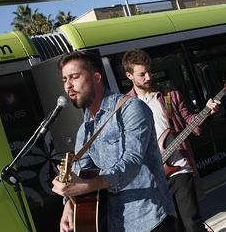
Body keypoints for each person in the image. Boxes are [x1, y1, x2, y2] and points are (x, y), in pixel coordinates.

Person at [51, 51, 176, 232]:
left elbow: (131, 163)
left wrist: (87, 185)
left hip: (150, 218)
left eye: (74, 77)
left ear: (96, 77)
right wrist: (69, 205)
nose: (68, 85)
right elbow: (81, 173)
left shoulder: (131, 109)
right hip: (116, 224)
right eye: (64, 80)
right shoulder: (84, 131)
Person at [121, 49, 220, 232]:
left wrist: (207, 113)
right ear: (129, 76)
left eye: (149, 71)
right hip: (152, 178)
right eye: (142, 74)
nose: (148, 77)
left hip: (179, 169)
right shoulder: (126, 106)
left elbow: (192, 124)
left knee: (192, 224)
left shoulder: (169, 95)